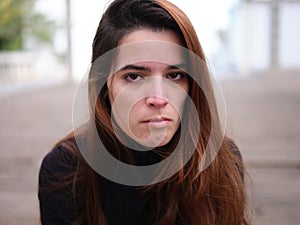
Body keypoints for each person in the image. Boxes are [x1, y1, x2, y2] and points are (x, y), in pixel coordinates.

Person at [38, 0, 250, 225]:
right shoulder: (67, 169)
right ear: (103, 84)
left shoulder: (222, 160)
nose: (158, 98)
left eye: (174, 75)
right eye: (134, 76)